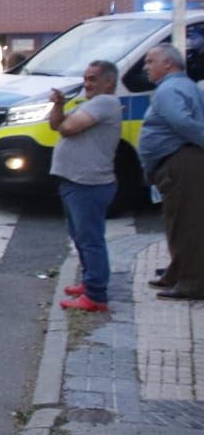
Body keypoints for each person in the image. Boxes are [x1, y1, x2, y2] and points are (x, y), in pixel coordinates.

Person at [48, 61, 123, 313]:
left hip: (88, 183)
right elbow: (54, 124)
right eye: (86, 78)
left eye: (92, 79)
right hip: (75, 181)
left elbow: (67, 128)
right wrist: (58, 105)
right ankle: (90, 282)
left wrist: (64, 118)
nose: (86, 83)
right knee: (81, 237)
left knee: (90, 240)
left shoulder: (105, 103)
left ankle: (96, 294)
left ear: (108, 83)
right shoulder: (90, 104)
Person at [137, 43, 204, 301]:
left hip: (180, 163)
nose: (146, 67)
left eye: (150, 61)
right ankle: (178, 272)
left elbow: (182, 122)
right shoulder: (185, 86)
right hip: (181, 162)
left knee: (185, 224)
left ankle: (192, 283)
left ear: (168, 63)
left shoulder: (170, 89)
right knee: (181, 221)